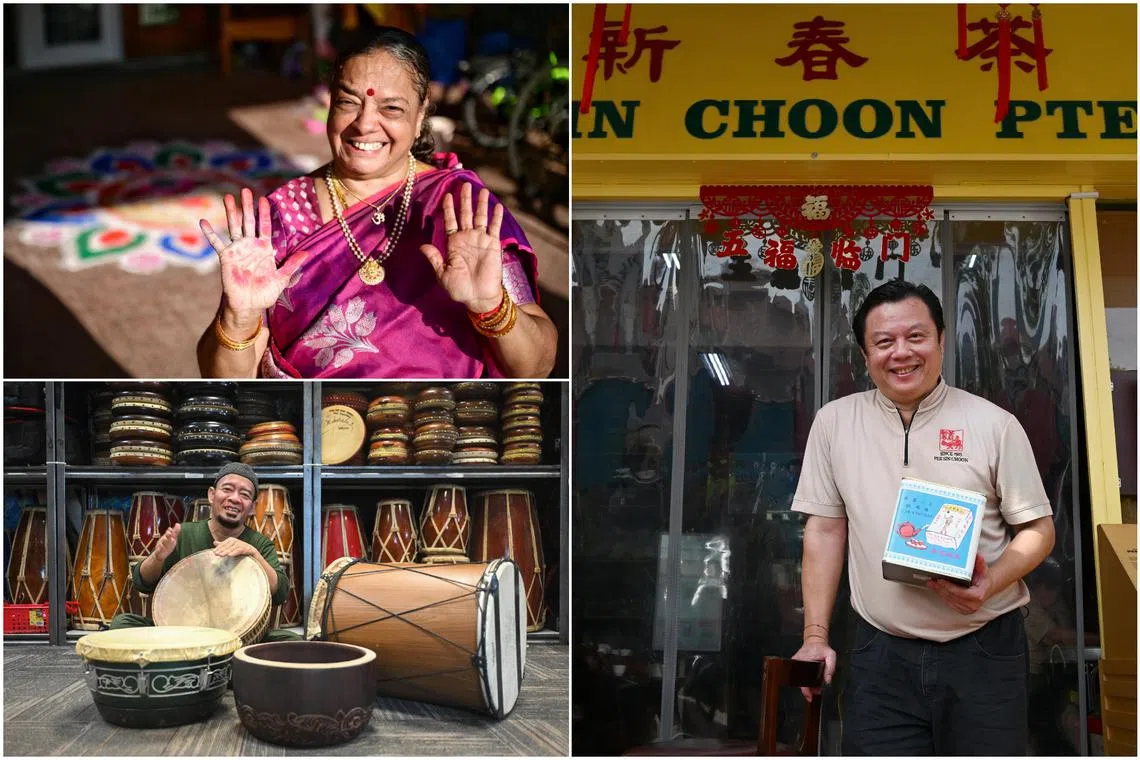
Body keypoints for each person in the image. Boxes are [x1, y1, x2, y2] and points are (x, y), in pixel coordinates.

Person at [196, 26, 558, 379]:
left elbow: (536, 366)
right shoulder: (283, 216)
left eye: (391, 109)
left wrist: (492, 307)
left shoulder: (460, 208)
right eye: (349, 102)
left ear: (420, 117)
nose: (365, 124)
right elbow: (224, 377)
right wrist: (239, 318)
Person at [790, 279, 1055, 755]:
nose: (901, 353)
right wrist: (815, 637)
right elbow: (826, 530)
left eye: (916, 337)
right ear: (864, 352)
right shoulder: (834, 423)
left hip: (985, 648)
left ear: (941, 341)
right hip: (881, 653)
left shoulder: (994, 424)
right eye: (884, 341)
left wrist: (989, 583)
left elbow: (1038, 530)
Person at [109, 463, 299, 643]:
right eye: (227, 489)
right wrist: (157, 557)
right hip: (181, 634)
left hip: (241, 637)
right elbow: (142, 583)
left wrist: (253, 554)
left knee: (292, 642)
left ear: (252, 508)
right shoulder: (183, 534)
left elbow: (280, 593)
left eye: (245, 494)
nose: (234, 498)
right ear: (211, 495)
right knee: (121, 624)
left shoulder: (260, 544)